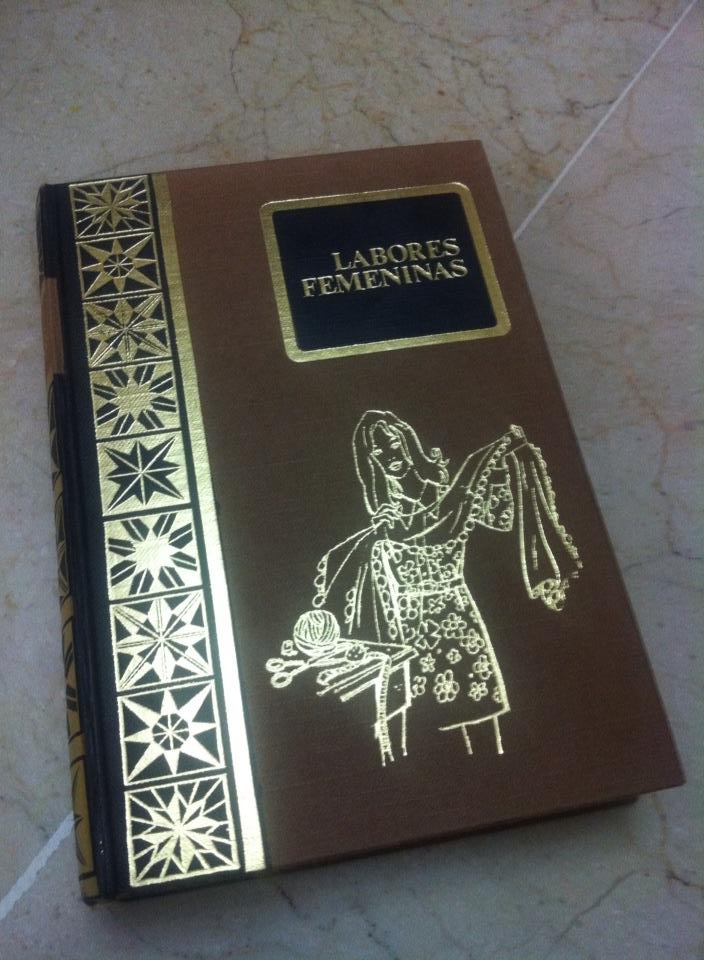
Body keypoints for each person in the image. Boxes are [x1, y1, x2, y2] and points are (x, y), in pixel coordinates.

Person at [310, 410, 581, 758]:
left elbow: (499, 518)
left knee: (482, 724)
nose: (389, 455)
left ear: (407, 442)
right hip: (408, 632)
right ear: (370, 461)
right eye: (378, 452)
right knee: (432, 740)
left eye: (392, 444)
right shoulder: (385, 517)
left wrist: (501, 468)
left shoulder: (446, 493)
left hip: (458, 620)